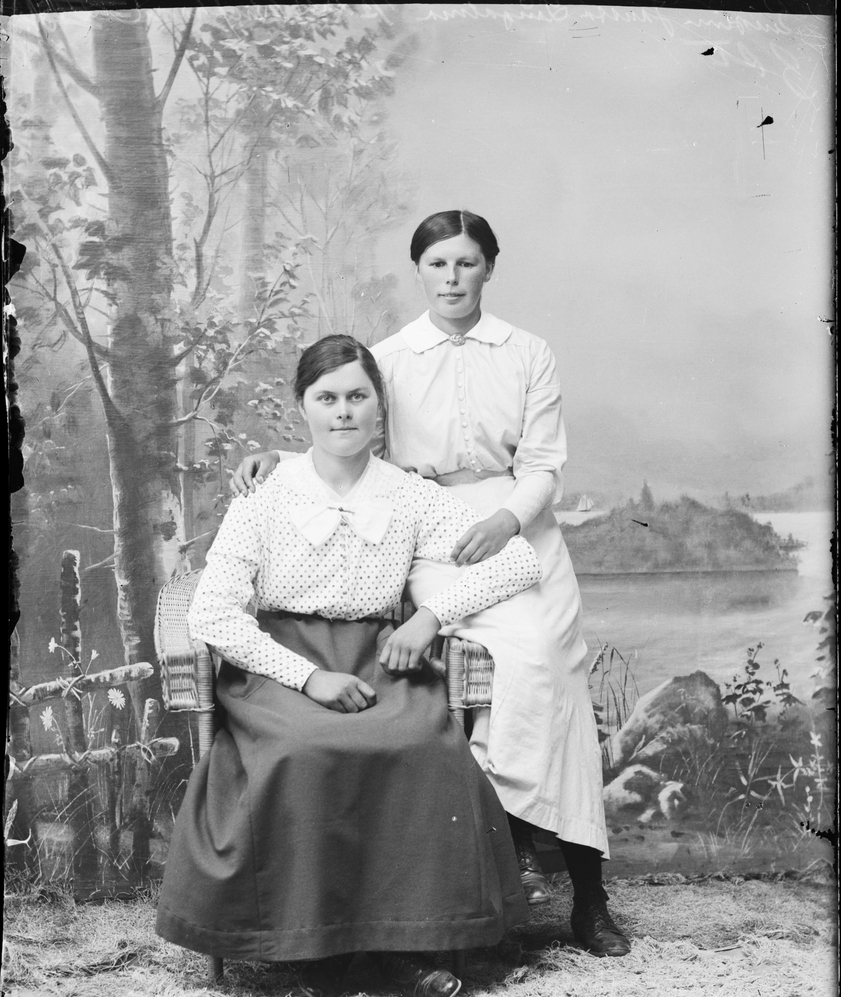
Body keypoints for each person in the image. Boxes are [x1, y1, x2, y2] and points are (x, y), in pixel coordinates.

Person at [232, 210, 631, 957]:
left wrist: (507, 521)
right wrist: (274, 459)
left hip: (517, 525)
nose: (452, 278)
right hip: (428, 530)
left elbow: (543, 465)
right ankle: (493, 864)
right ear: (419, 271)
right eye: (437, 264)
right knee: (475, 674)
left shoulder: (527, 352)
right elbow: (348, 432)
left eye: (466, 263)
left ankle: (587, 895)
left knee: (549, 666)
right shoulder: (390, 356)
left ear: (489, 268)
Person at [156, 334, 539, 997]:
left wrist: (429, 618)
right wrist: (308, 679)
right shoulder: (265, 493)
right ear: (302, 407)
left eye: (357, 396)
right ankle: (317, 950)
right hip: (278, 665)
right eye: (326, 397)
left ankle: (403, 949)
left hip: (377, 657)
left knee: (421, 746)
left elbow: (518, 560)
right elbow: (213, 614)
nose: (342, 411)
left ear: (378, 407)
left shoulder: (409, 495)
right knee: (304, 750)